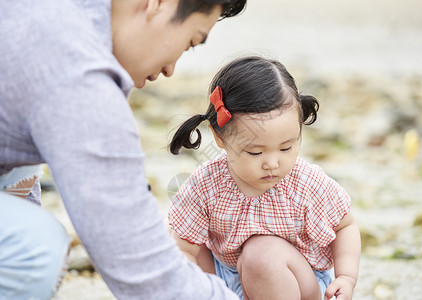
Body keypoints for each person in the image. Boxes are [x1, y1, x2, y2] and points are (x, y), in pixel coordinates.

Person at [0, 0, 246, 299]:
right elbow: (138, 262)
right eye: (189, 42)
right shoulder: (77, 72)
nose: (170, 69)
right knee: (33, 249)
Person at [168, 56, 361, 300]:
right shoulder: (207, 184)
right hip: (225, 281)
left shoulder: (306, 183)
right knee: (183, 236)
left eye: (286, 148)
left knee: (261, 253)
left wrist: (346, 276)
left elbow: (345, 225)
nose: (272, 163)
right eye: (255, 152)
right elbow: (182, 249)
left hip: (296, 282)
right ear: (220, 139)